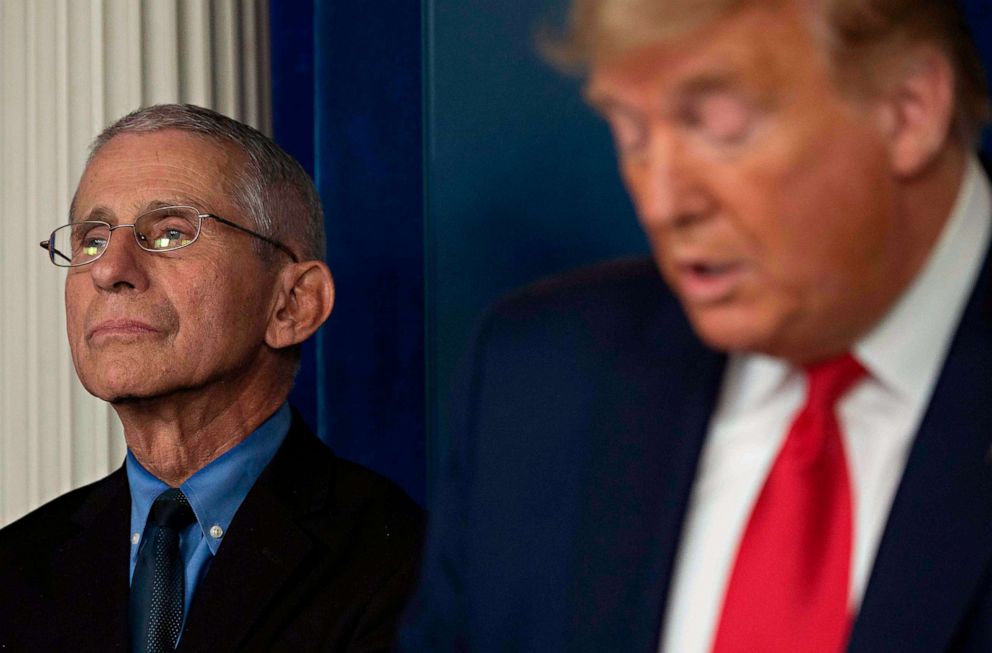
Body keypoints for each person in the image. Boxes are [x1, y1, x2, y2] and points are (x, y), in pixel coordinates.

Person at [401, 0, 992, 651]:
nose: (661, 202)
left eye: (719, 126)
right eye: (630, 134)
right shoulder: (535, 379)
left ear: (909, 109)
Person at [0, 104, 423, 652]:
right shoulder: (14, 567)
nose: (108, 270)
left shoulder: (407, 568)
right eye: (92, 241)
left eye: (172, 233)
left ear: (293, 304)